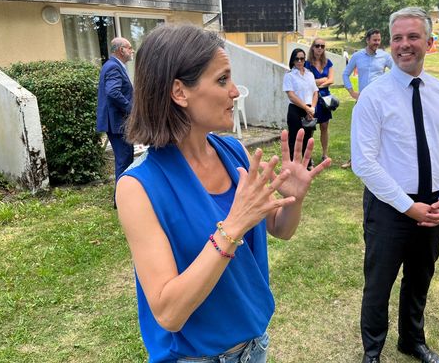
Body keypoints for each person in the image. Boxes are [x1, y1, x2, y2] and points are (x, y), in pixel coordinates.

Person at [116, 25, 330, 363]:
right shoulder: (138, 187)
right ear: (179, 92)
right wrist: (233, 226)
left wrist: (293, 198)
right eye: (221, 80)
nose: (234, 92)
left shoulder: (234, 153)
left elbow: (281, 229)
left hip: (254, 346)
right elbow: (168, 312)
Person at [351, 7, 439, 363]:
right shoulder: (373, 96)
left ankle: (411, 341)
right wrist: (406, 205)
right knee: (379, 284)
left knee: (419, 278)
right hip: (389, 207)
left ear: (430, 43)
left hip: (432, 205)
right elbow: (365, 163)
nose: (404, 45)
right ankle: (373, 352)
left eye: (413, 37)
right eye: (397, 38)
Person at [341, 29, 394, 168]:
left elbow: (396, 73)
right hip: (363, 100)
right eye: (374, 40)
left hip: (380, 101)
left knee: (381, 130)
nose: (377, 43)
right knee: (359, 130)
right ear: (367, 40)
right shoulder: (357, 56)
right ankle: (353, 160)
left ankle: (378, 160)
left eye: (379, 40)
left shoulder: (385, 56)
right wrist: (352, 92)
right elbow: (345, 74)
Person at [96, 37, 135, 190]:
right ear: (121, 50)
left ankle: (123, 197)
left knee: (125, 159)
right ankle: (121, 199)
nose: (132, 50)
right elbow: (113, 92)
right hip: (118, 122)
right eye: (129, 47)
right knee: (124, 160)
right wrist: (131, 109)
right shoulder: (113, 67)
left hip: (117, 121)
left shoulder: (113, 65)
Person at [283, 48, 319, 170]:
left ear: (305, 60)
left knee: (308, 138)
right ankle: (294, 165)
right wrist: (306, 108)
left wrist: (312, 108)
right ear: (293, 60)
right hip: (295, 109)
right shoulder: (289, 75)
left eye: (302, 59)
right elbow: (291, 95)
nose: (299, 61)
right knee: (294, 138)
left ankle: (307, 163)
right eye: (297, 59)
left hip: (309, 109)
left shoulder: (310, 74)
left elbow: (315, 92)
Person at [305, 38, 335, 162]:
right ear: (313, 47)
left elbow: (331, 80)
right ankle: (308, 157)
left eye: (322, 46)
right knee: (310, 128)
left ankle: (324, 154)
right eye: (317, 46)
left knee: (324, 126)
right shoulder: (307, 64)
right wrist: (323, 80)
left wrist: (318, 84)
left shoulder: (328, 63)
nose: (320, 48)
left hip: (325, 99)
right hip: (312, 98)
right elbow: (307, 82)